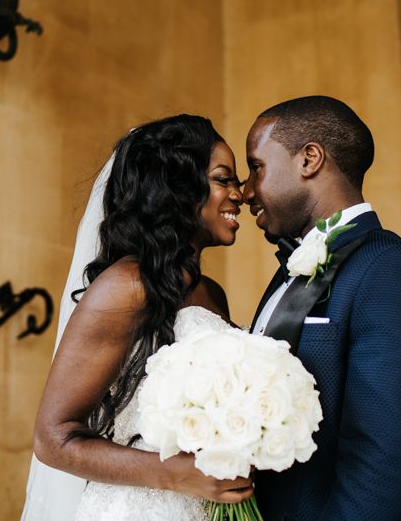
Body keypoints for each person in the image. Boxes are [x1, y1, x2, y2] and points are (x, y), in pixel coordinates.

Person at [21, 114, 252, 520]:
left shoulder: (211, 293)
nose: (240, 194)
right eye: (223, 179)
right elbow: (53, 438)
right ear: (178, 188)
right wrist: (179, 475)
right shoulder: (126, 286)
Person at [243, 96, 401, 520]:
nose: (246, 190)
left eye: (256, 167)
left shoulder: (392, 271)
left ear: (310, 159)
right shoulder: (291, 268)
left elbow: (383, 470)